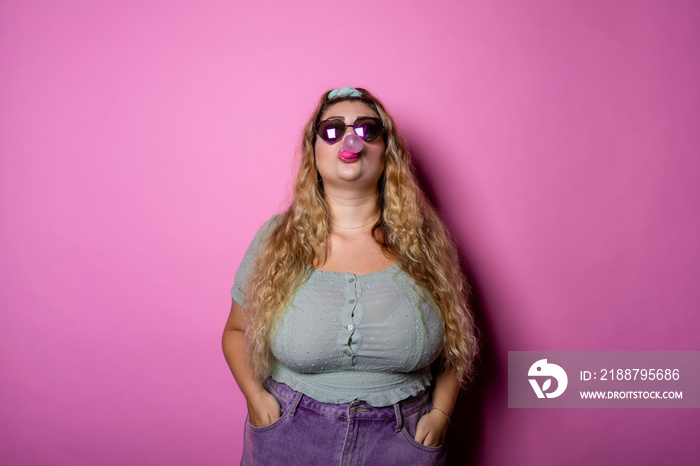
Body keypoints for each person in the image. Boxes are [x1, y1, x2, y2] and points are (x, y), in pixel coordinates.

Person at [222, 86, 478, 465]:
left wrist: (440, 414)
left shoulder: (426, 241)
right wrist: (256, 398)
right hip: (290, 438)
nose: (349, 139)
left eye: (366, 129)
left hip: (401, 443)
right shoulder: (277, 239)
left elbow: (456, 347)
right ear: (314, 150)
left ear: (385, 149)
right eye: (332, 129)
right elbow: (236, 331)